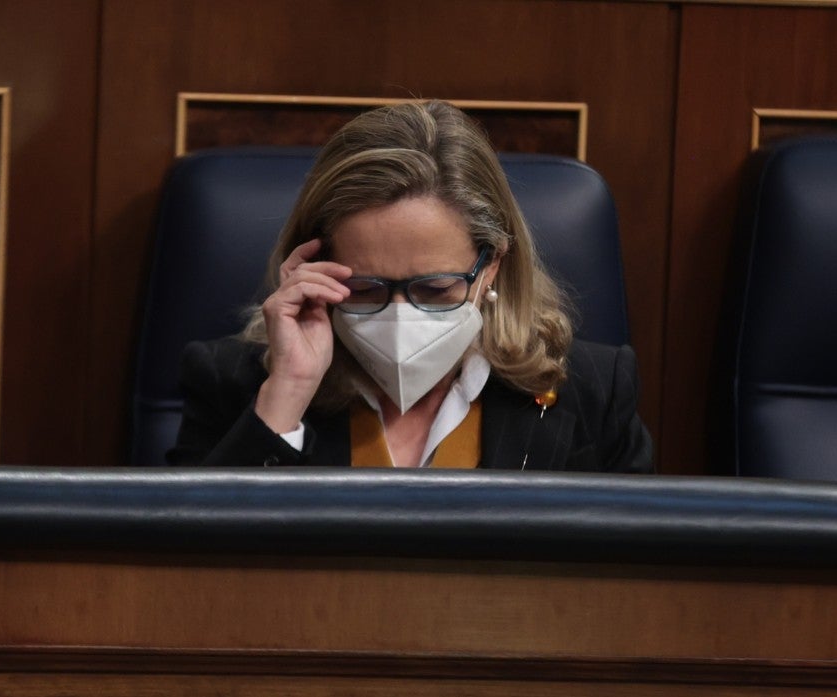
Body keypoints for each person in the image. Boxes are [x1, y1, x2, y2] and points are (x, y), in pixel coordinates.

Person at [167, 100, 653, 472]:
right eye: (365, 289)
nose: (401, 317)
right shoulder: (234, 382)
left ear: (492, 266)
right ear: (313, 265)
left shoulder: (592, 391)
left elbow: (639, 578)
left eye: (436, 289)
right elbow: (182, 571)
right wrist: (287, 393)